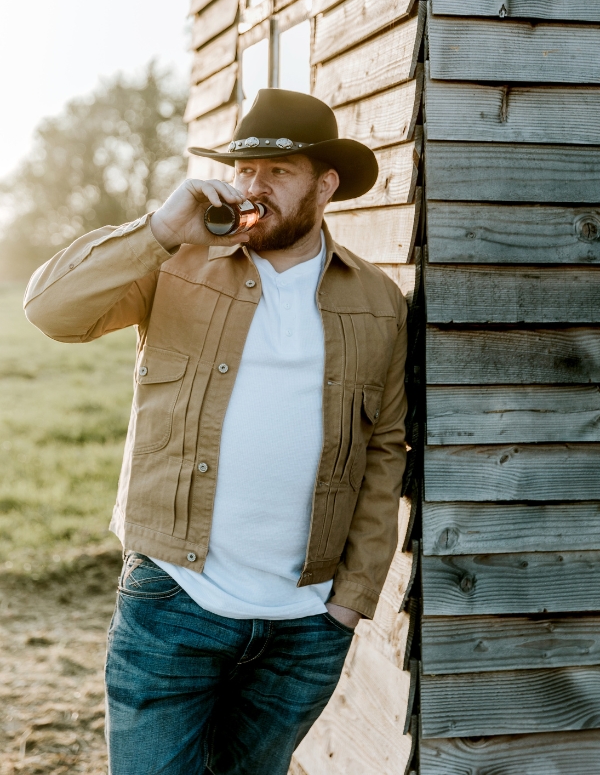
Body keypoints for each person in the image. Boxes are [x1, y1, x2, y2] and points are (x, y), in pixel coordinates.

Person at [24, 89, 408, 775]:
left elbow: (385, 449)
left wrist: (349, 603)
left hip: (306, 628)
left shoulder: (378, 301)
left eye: (278, 172)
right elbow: (52, 311)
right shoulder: (174, 263)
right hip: (174, 601)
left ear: (325, 185)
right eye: (244, 168)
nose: (253, 186)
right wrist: (159, 229)